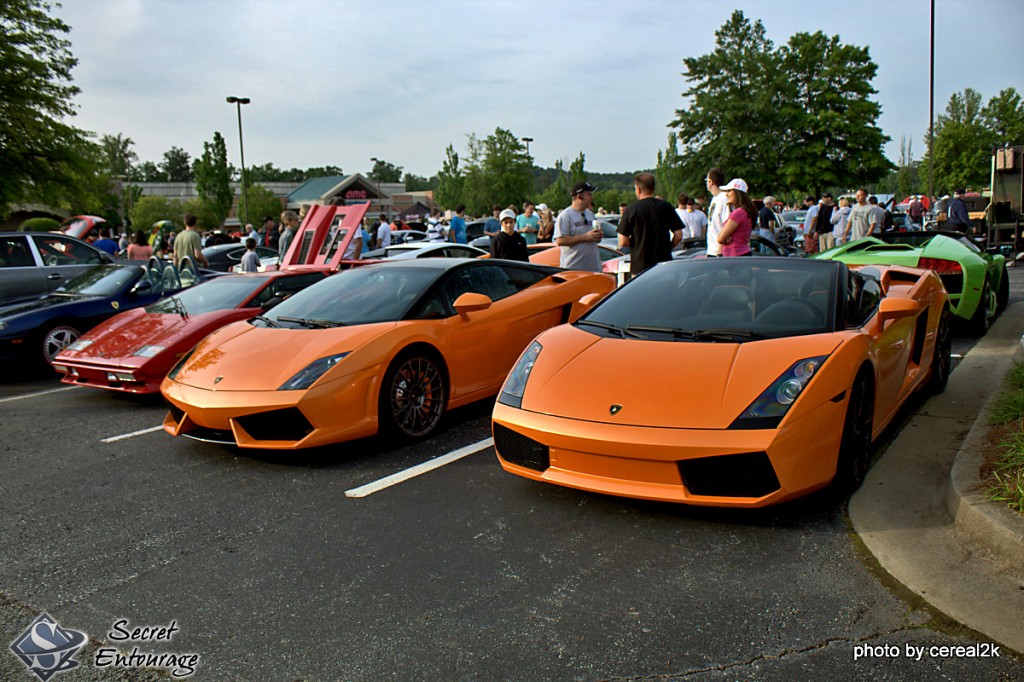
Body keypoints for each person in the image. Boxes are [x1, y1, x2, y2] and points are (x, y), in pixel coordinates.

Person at [617, 172, 683, 276]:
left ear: (638, 189)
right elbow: (678, 235)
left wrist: (638, 245)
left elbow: (622, 241)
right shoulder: (666, 207)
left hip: (640, 267)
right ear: (653, 188)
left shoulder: (631, 210)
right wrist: (667, 247)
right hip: (664, 264)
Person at [554, 182, 602, 272]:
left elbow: (593, 238)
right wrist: (585, 237)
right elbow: (560, 240)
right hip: (573, 268)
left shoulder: (590, 214)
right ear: (579, 197)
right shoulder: (565, 215)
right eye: (589, 194)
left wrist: (597, 236)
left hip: (594, 268)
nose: (592, 197)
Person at [716, 179, 756, 257]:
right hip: (741, 254)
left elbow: (720, 238)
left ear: (737, 192)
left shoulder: (739, 212)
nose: (726, 194)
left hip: (736, 255)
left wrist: (724, 238)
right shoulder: (745, 211)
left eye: (729, 191)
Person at [705, 168, 729, 257]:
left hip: (719, 251)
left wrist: (720, 248)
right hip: (712, 249)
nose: (706, 183)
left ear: (711, 182)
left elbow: (726, 224)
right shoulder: (714, 199)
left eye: (707, 180)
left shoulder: (724, 198)